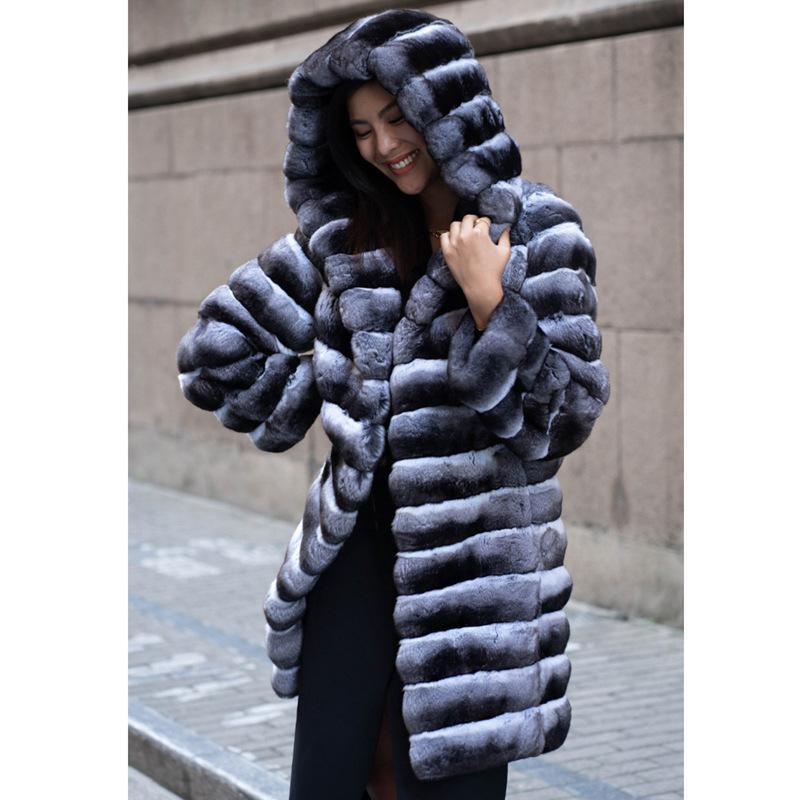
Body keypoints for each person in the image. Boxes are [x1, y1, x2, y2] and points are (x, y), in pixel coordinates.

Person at [176, 8, 610, 800]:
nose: (384, 144)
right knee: (330, 781)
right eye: (361, 130)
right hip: (353, 560)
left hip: (473, 586)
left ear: (446, 109)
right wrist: (338, 393)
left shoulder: (540, 232)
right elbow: (216, 353)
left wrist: (490, 304)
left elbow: (565, 419)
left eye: (396, 116)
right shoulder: (348, 239)